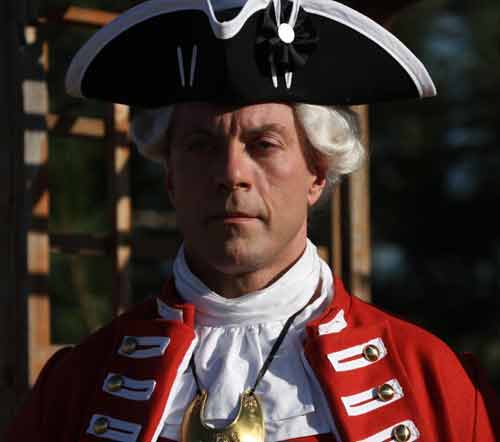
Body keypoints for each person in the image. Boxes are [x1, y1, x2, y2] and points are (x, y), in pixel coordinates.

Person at [8, 0, 499, 441]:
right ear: (171, 178)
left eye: (264, 144)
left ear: (317, 172)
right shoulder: (77, 386)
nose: (230, 174)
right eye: (201, 146)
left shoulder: (433, 381)